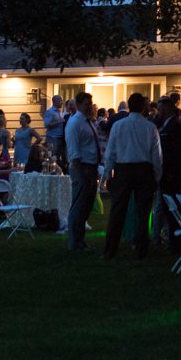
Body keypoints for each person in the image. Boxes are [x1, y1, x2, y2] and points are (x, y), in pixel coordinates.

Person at [101, 92, 161, 259]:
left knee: (117, 210)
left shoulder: (118, 126)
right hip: (144, 170)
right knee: (144, 212)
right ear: (143, 107)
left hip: (123, 169)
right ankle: (142, 249)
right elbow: (156, 155)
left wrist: (108, 173)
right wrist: (157, 175)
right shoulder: (150, 127)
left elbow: (110, 151)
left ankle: (110, 250)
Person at [64, 92, 101, 251]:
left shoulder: (88, 121)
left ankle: (80, 239)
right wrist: (80, 171)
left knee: (86, 205)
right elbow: (73, 150)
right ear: (78, 105)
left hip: (91, 167)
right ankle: (74, 242)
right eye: (86, 104)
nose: (89, 107)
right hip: (82, 168)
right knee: (79, 205)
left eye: (90, 103)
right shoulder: (74, 123)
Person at [155, 96, 181, 251]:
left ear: (169, 108)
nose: (159, 111)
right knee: (167, 207)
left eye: (161, 108)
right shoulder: (165, 125)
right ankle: (172, 239)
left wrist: (172, 172)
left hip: (171, 174)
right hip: (167, 173)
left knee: (172, 208)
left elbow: (176, 152)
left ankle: (175, 242)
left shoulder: (174, 126)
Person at [44, 94, 67, 173]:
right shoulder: (49, 112)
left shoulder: (59, 112)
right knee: (53, 157)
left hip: (60, 138)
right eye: (60, 100)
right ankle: (53, 173)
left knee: (60, 157)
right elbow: (47, 125)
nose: (62, 102)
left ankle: (59, 173)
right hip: (52, 138)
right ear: (54, 101)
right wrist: (59, 121)